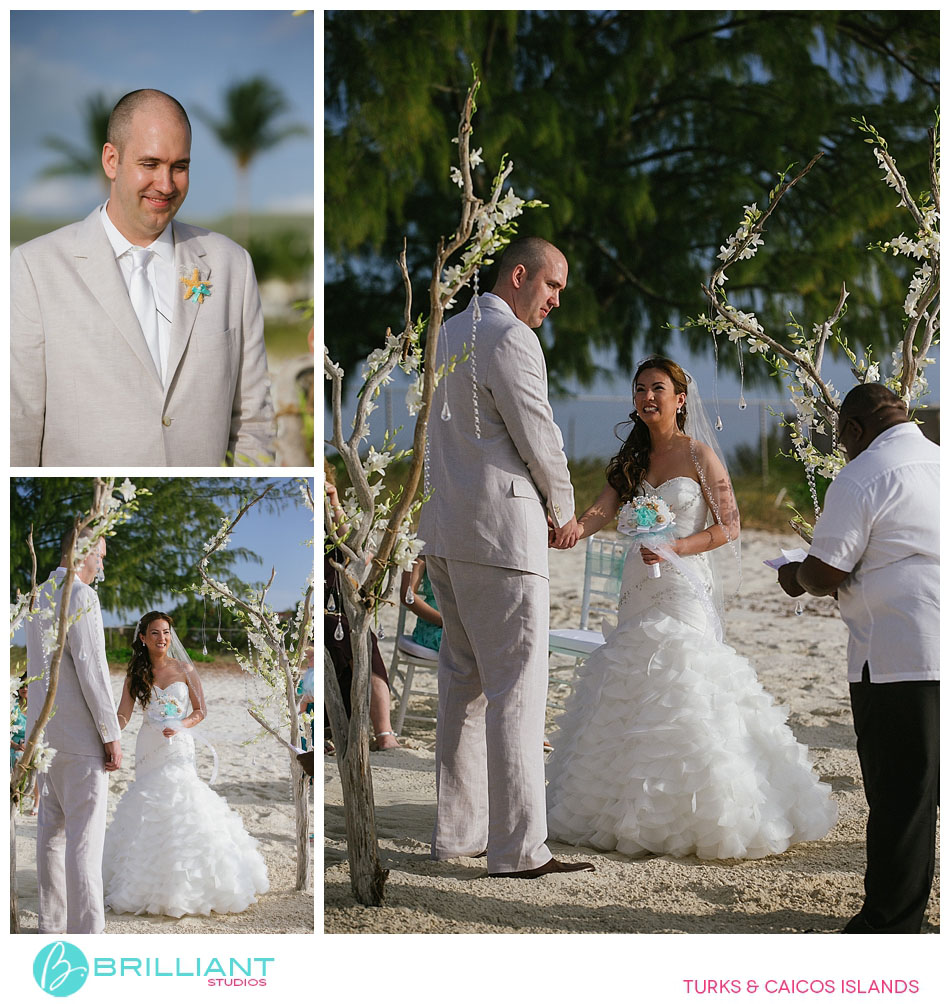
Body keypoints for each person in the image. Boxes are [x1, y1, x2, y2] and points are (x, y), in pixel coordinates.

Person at [546, 356, 837, 860]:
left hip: (681, 582)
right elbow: (601, 508)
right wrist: (573, 528)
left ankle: (706, 806)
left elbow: (730, 524)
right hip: (639, 583)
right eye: (639, 389)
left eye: (657, 388)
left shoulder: (700, 456)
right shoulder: (630, 461)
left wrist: (676, 547)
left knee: (684, 672)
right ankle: (624, 805)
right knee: (632, 676)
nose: (647, 397)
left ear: (680, 399)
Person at [417, 236, 594, 879]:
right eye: (552, 287)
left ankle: (457, 835)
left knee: (462, 690)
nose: (554, 302)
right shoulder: (509, 337)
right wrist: (565, 509)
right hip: (501, 537)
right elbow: (538, 434)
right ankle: (519, 850)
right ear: (518, 276)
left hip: (445, 534)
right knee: (517, 691)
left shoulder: (446, 332)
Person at [10, 88, 274, 467]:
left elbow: (254, 419)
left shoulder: (233, 265)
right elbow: (18, 421)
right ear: (111, 160)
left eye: (179, 167)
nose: (166, 185)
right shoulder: (37, 267)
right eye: (150, 164)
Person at [777, 383, 939, 933]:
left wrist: (793, 575)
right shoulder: (940, 461)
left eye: (842, 438)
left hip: (899, 655)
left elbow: (826, 572)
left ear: (853, 429)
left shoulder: (865, 473)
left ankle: (890, 925)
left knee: (901, 796)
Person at [102, 611, 269, 917]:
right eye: (154, 633)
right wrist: (106, 733)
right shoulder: (134, 674)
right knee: (149, 804)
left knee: (184, 797)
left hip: (178, 743)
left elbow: (200, 710)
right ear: (142, 638)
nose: (161, 638)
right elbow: (123, 715)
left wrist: (182, 723)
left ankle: (195, 882)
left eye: (165, 632)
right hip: (149, 745)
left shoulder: (185, 668)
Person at [26, 527, 121, 934]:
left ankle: (52, 928)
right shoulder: (81, 595)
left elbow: (34, 673)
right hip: (82, 741)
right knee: (84, 842)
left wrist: (32, 742)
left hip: (45, 740)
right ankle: (87, 935)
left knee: (50, 837)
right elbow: (93, 671)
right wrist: (110, 734)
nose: (101, 564)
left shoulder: (35, 597)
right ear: (81, 552)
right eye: (99, 555)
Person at [324, 462, 401, 751]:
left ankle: (384, 733)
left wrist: (333, 502)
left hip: (343, 600)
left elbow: (357, 552)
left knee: (367, 647)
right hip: (316, 605)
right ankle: (328, 730)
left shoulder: (335, 517)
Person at [399, 556, 443, 655]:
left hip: (464, 625)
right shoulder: (423, 548)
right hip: (434, 625)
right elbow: (407, 595)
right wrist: (445, 622)